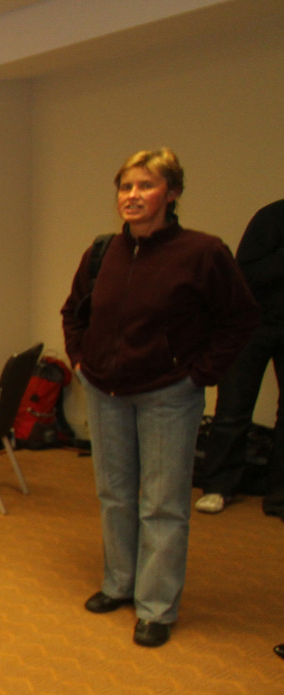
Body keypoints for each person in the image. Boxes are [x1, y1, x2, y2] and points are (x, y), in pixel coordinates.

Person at [61, 148, 258, 648]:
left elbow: (240, 319)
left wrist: (199, 375)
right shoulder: (103, 251)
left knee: (163, 505)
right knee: (115, 495)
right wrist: (81, 361)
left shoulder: (203, 252)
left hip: (168, 395)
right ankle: (119, 584)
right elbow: (74, 311)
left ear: (172, 194)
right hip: (105, 391)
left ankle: (156, 606)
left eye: (145, 186)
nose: (132, 196)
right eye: (125, 186)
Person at [197, 198, 284, 518]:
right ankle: (218, 486)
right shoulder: (272, 217)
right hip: (252, 324)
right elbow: (247, 274)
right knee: (234, 407)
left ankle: (278, 496)